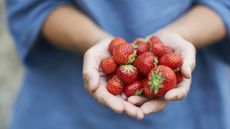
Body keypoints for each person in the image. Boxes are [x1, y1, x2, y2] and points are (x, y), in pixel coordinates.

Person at [6, 0, 230, 129]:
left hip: (193, 115)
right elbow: (31, 5)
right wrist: (95, 42)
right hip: (63, 110)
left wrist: (180, 35)